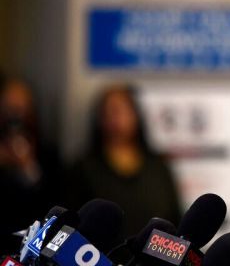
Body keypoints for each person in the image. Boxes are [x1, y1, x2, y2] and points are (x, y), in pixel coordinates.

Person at [64, 84, 181, 237]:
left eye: (121, 110)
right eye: (109, 112)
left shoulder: (158, 167)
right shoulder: (83, 168)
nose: (115, 118)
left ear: (136, 115)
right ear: (99, 118)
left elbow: (174, 217)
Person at [0, 77, 63, 252]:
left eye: (20, 107)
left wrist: (28, 167)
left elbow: (53, 203)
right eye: (9, 106)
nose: (15, 114)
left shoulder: (47, 153)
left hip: (34, 243)